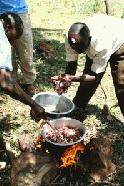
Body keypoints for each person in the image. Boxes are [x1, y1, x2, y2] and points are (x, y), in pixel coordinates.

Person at [51, 14, 124, 117]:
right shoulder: (71, 38)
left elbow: (95, 77)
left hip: (120, 41)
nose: (78, 53)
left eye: (81, 50)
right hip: (97, 42)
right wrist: (64, 79)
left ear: (89, 40)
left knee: (121, 83)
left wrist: (71, 78)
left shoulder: (100, 45)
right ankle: (77, 107)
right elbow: (71, 66)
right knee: (87, 77)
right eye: (75, 49)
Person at [0, 13, 46, 121]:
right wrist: (34, 105)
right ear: (8, 27)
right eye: (13, 38)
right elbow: (6, 83)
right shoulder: (2, 41)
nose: (11, 42)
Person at [0, 0, 36, 96]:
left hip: (20, 11)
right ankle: (12, 81)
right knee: (6, 51)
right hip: (1, 12)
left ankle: (29, 82)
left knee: (26, 51)